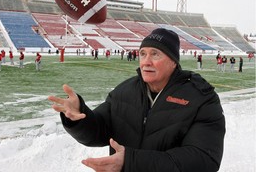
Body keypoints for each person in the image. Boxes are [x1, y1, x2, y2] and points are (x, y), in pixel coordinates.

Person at [48, 28, 226, 172]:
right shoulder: (125, 91)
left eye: (155, 54)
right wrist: (79, 117)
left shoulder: (201, 99)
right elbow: (99, 131)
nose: (146, 62)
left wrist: (130, 162)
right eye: (142, 54)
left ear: (173, 61)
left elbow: (203, 160)